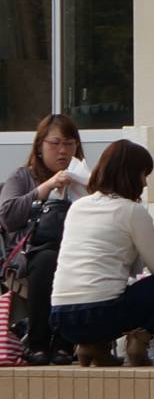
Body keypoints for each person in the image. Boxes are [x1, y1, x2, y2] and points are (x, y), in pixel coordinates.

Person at [49, 140, 154, 367]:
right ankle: (139, 341)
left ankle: (92, 346)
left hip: (61, 317)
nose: (145, 183)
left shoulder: (78, 207)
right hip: (101, 315)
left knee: (107, 292)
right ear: (131, 175)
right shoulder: (132, 211)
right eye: (144, 174)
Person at [0, 114, 87, 365]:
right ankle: (38, 343)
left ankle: (65, 344)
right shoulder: (22, 177)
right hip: (28, 254)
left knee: (77, 261)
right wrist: (45, 187)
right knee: (49, 259)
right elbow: (7, 216)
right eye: (55, 143)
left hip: (73, 251)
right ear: (40, 146)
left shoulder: (83, 180)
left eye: (69, 144)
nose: (63, 151)